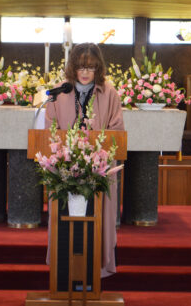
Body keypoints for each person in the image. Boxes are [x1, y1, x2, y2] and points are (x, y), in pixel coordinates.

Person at [45, 42, 124, 278]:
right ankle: (62, 266)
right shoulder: (59, 92)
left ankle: (99, 266)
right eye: (81, 67)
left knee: (98, 216)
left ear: (98, 68)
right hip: (64, 166)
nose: (86, 72)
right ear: (73, 68)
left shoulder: (109, 92)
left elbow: (117, 130)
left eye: (91, 67)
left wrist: (96, 149)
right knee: (64, 216)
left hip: (99, 167)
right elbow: (50, 129)